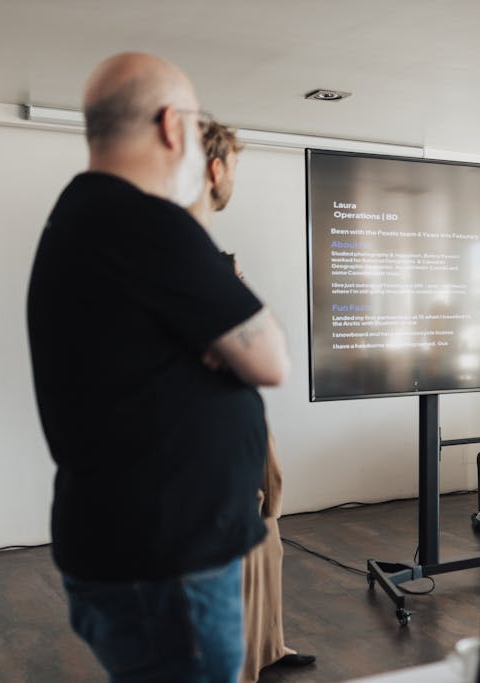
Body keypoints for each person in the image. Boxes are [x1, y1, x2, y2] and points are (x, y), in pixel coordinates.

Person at [26, 52, 290, 682]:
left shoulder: (84, 215)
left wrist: (224, 344)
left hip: (139, 552)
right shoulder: (143, 220)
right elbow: (272, 357)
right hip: (168, 567)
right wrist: (228, 346)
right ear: (174, 125)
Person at [188, 120, 316, 680]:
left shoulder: (209, 258)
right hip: (214, 446)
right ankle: (241, 661)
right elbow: (267, 356)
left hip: (243, 431)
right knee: (238, 555)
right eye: (234, 164)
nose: (234, 175)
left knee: (269, 543)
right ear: (215, 168)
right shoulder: (188, 259)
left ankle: (271, 647)